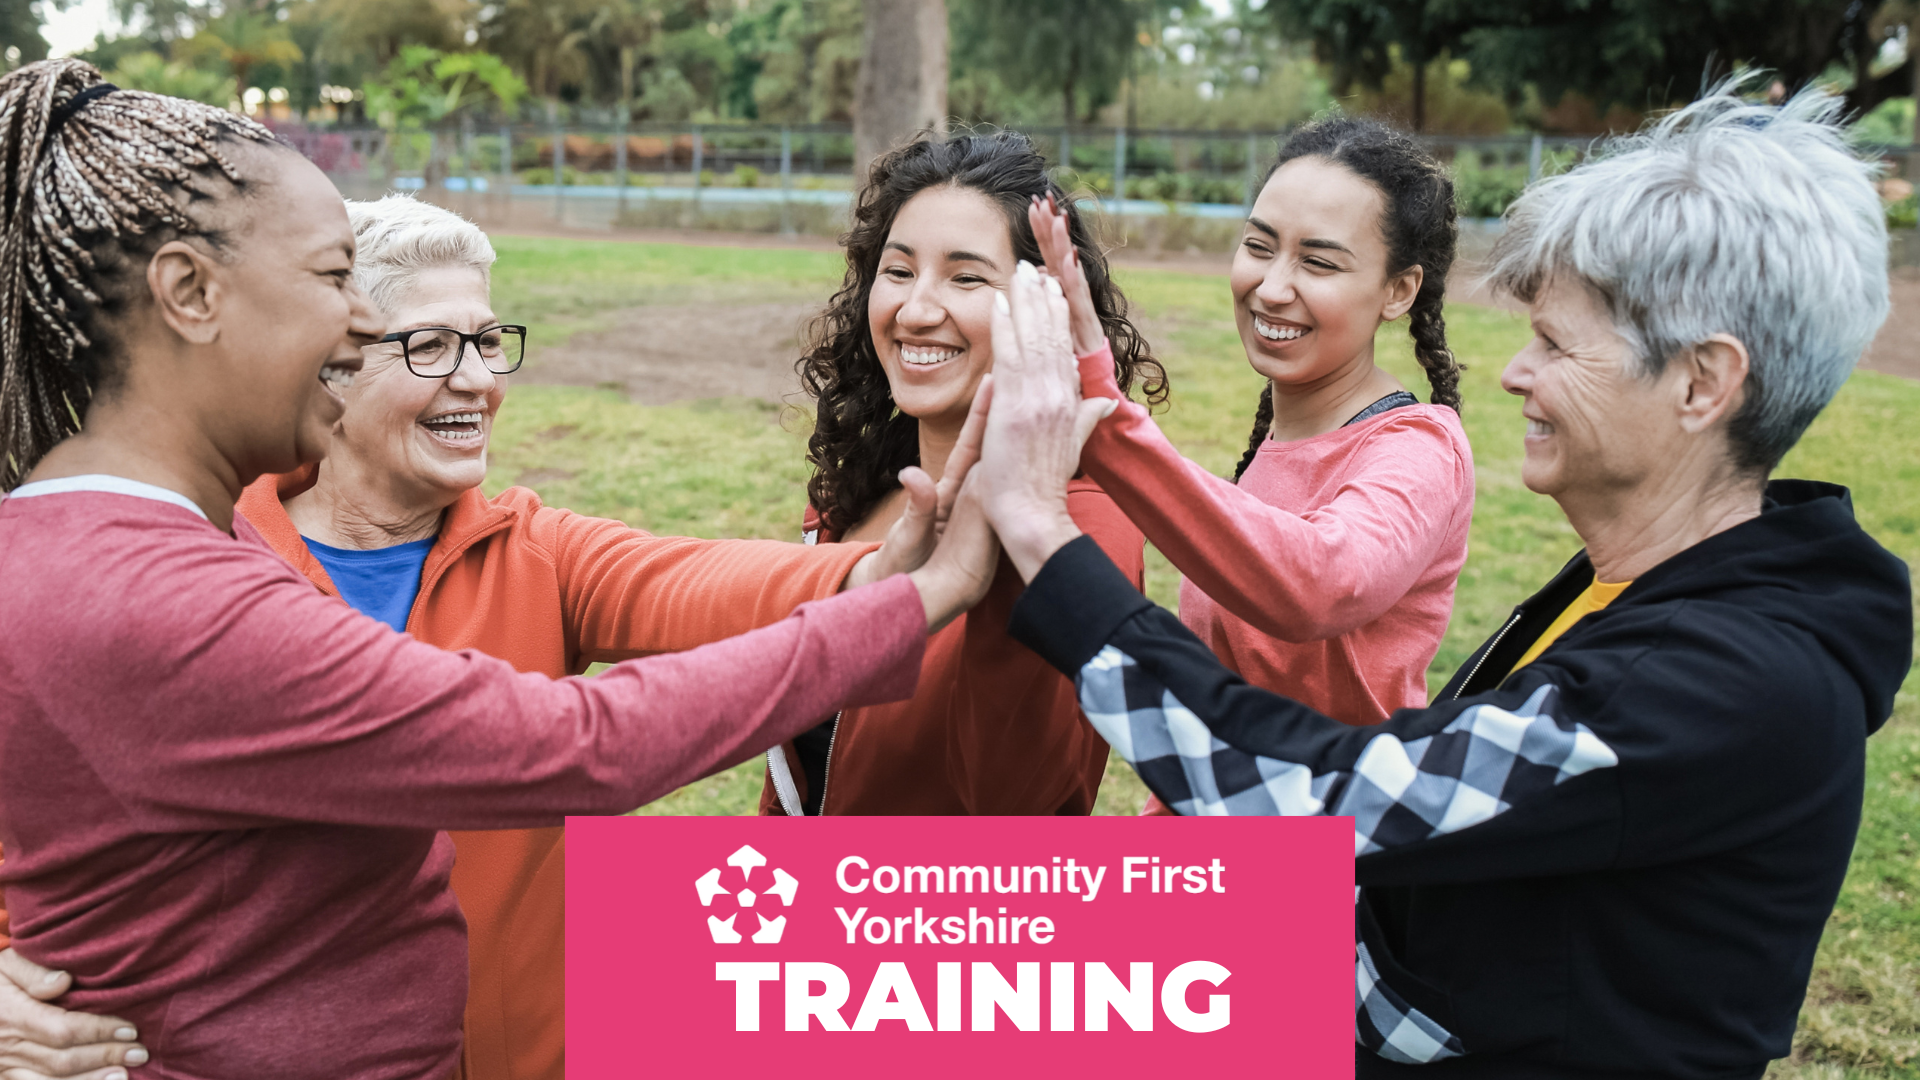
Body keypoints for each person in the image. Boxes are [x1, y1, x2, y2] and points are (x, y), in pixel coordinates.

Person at [0, 59, 995, 1080]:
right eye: (337, 283)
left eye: (487, 341)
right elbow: (579, 746)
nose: (353, 325)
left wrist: (875, 573)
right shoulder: (179, 594)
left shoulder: (146, 545)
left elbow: (697, 583)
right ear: (189, 293)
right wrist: (924, 595)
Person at [974, 87, 1912, 1077]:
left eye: (1555, 344)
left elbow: (1296, 798)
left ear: (1703, 384)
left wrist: (1045, 539)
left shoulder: (1721, 681)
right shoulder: (1637, 597)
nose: (1514, 374)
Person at [1030, 116, 1473, 739]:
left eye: (1318, 263)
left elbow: (1319, 582)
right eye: (1259, 247)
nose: (1270, 287)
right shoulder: (1278, 439)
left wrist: (1106, 420)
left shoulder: (1419, 450)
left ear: (1398, 290)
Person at [758, 131, 1159, 816]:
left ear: (1043, 308)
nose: (916, 310)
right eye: (899, 270)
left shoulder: (1082, 530)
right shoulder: (858, 489)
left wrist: (1016, 555)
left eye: (967, 277)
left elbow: (1019, 803)